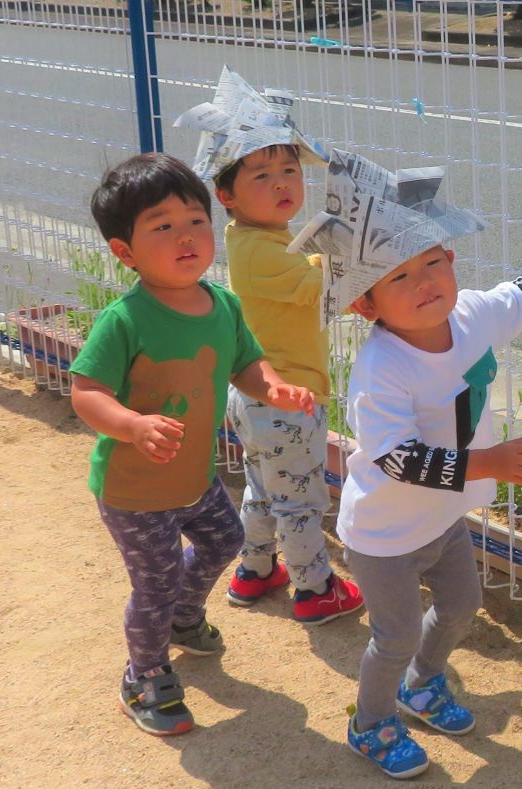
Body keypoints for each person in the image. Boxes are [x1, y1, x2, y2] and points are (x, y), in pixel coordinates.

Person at [317, 154, 522, 777]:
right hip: (383, 535)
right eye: (399, 277)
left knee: (461, 605)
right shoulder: (382, 371)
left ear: (452, 261)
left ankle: (422, 684)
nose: (424, 281)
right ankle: (369, 723)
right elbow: (398, 459)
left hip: (443, 519)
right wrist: (489, 463)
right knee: (393, 635)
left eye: (432, 261)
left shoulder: (471, 316)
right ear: (365, 306)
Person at [69, 152, 316, 736]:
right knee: (152, 583)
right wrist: (131, 424)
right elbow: (86, 393)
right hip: (134, 491)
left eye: (196, 221)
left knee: (226, 537)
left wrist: (275, 390)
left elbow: (247, 366)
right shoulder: (124, 320)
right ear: (124, 252)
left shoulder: (222, 304)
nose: (186, 237)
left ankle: (183, 617)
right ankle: (144, 674)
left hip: (195, 478)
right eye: (162, 227)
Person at [177, 68, 364, 624]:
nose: (283, 182)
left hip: (259, 398)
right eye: (262, 174)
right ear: (226, 193)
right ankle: (315, 588)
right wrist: (352, 247)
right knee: (301, 499)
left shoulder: (255, 239)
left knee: (265, 488)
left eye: (289, 169)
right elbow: (319, 288)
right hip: (287, 398)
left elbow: (301, 271)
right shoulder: (261, 249)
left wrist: (317, 256)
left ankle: (256, 570)